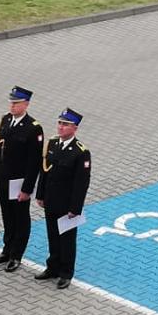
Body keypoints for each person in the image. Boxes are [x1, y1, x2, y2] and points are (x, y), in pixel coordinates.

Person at [34, 109, 91, 289]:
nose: (61, 127)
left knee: (66, 239)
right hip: (51, 200)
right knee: (52, 236)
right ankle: (53, 267)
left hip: (67, 205)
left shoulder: (81, 152)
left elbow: (81, 184)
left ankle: (66, 273)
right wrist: (40, 195)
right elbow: (45, 171)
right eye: (59, 123)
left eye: (65, 124)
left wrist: (75, 208)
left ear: (75, 128)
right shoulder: (52, 143)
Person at [0, 86, 43, 272]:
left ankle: (16, 255)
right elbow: (0, 150)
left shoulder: (33, 128)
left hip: (19, 182)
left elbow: (34, 162)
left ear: (26, 104)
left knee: (20, 218)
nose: (12, 106)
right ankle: (7, 249)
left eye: (16, 103)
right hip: (3, 178)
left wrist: (27, 189)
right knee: (7, 215)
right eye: (11, 102)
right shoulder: (5, 120)